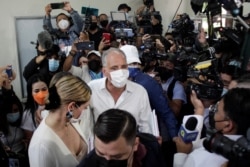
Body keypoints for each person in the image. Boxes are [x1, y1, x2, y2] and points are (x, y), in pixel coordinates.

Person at [173, 88, 250, 167]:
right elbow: (200, 143)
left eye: (217, 110)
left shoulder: (201, 158)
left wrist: (181, 154)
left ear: (227, 125)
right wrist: (199, 109)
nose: (213, 112)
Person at [28, 72, 92, 167]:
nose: (85, 111)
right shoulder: (41, 146)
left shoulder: (70, 120)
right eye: (85, 107)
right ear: (71, 107)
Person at [88, 48, 153, 134]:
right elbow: (87, 124)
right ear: (104, 71)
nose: (120, 71)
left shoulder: (140, 92)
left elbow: (146, 128)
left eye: (123, 67)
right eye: (114, 68)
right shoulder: (92, 88)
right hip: (100, 145)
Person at [77, 108, 166, 167]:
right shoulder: (87, 164)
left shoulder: (151, 146)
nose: (107, 161)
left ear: (135, 144)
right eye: (100, 153)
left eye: (117, 156)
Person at [21, 74, 49, 145]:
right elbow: (29, 138)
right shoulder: (28, 113)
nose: (41, 93)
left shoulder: (55, 107)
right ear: (31, 93)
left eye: (44, 89)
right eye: (36, 91)